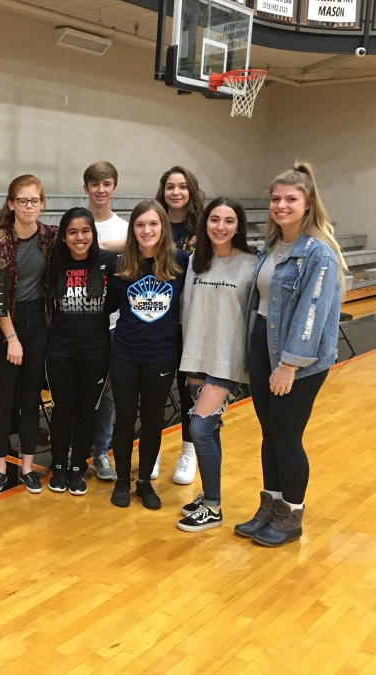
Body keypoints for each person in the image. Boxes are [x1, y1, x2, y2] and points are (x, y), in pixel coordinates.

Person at [235, 162, 345, 546]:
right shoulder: (273, 246)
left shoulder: (319, 253)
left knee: (286, 435)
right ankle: (272, 505)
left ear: (308, 202)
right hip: (265, 346)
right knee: (270, 434)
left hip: (298, 358)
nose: (281, 205)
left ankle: (292, 515)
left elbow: (310, 314)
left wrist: (288, 366)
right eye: (276, 199)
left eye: (290, 199)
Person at [176, 198, 256, 532]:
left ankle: (212, 507)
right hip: (196, 356)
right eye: (214, 220)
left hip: (228, 361)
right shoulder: (197, 261)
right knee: (210, 430)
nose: (220, 227)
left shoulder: (252, 264)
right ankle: (211, 496)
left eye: (228, 221)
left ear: (238, 226)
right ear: (205, 223)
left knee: (197, 428)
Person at [107, 200, 188, 510]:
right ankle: (122, 481)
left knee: (153, 420)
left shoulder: (181, 262)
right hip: (125, 352)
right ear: (133, 230)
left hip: (161, 355)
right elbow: (111, 305)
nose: (146, 230)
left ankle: (144, 483)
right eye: (140, 224)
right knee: (125, 418)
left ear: (163, 227)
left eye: (153, 224)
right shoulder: (120, 265)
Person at [0, 175, 56, 494]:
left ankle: (26, 468)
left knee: (30, 400)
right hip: (4, 327)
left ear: (42, 203)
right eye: (23, 200)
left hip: (39, 322)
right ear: (11, 204)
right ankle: (0, 467)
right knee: (2, 402)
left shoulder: (51, 236)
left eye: (35, 200)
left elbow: (88, 242)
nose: (29, 206)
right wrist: (11, 337)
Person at [46, 207, 117, 496]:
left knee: (87, 411)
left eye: (85, 231)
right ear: (63, 237)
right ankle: (59, 464)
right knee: (62, 410)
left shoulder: (107, 262)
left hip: (96, 350)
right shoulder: (54, 264)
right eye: (73, 232)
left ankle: (78, 466)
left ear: (93, 233)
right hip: (60, 350)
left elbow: (113, 302)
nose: (80, 237)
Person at [155, 166, 206, 485]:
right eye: (170, 186)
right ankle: (153, 449)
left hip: (192, 322)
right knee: (156, 390)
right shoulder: (153, 223)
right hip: (158, 321)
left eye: (182, 187)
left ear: (191, 191)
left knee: (189, 391)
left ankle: (188, 452)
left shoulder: (201, 228)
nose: (176, 192)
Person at [84, 161, 127, 482]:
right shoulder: (76, 222)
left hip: (114, 326)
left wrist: (95, 247)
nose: (101, 190)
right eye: (95, 184)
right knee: (74, 394)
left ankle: (101, 453)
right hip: (78, 325)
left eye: (106, 184)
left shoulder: (126, 229)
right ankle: (73, 452)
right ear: (86, 188)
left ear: (114, 187)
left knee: (108, 396)